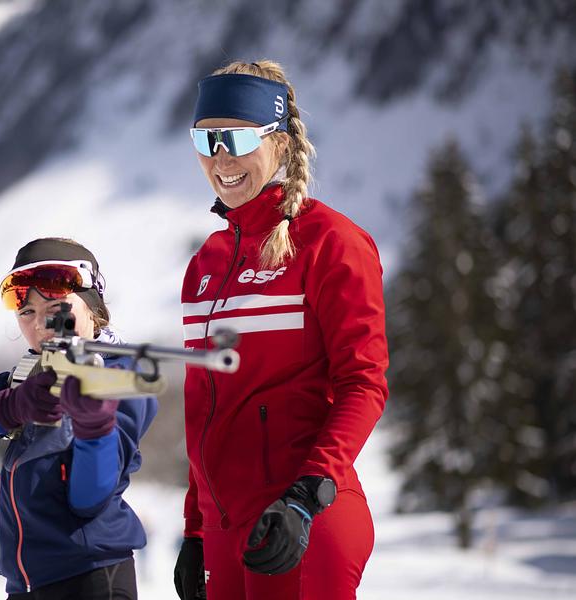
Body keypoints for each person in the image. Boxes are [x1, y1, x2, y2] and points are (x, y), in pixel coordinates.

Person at [173, 60, 389, 600]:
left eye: (239, 137)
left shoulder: (331, 242)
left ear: (283, 146)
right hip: (225, 528)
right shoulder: (206, 264)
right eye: (207, 138)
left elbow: (365, 384)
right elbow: (205, 407)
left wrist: (304, 496)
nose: (221, 157)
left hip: (302, 516)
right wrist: (196, 528)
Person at [0, 238, 157, 599]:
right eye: (26, 313)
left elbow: (89, 500)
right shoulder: (26, 375)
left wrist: (93, 427)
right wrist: (6, 409)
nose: (41, 324)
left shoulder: (118, 377)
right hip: (25, 585)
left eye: (56, 308)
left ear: (93, 308)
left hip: (91, 579)